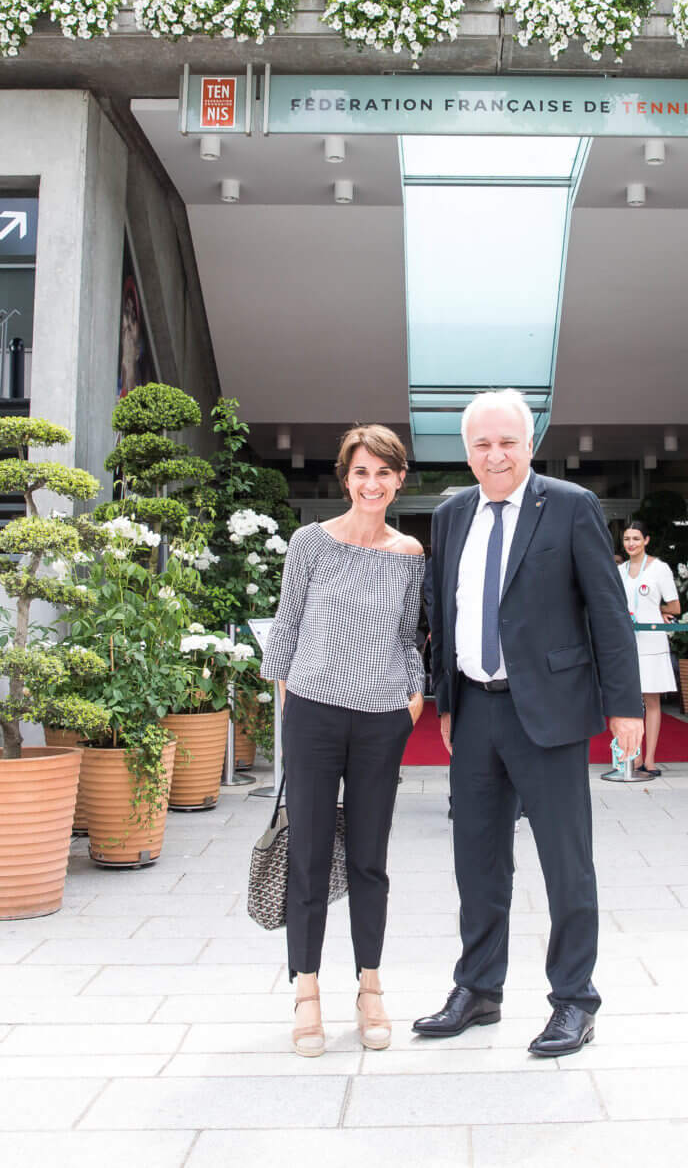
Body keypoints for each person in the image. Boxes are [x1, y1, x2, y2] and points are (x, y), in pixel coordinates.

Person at [416, 389, 640, 1058]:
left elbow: (607, 611)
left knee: (565, 862)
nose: (495, 454)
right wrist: (447, 700)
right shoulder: (453, 513)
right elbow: (446, 613)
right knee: (477, 860)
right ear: (467, 451)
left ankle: (574, 999)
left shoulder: (569, 506)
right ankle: (479, 987)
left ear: (530, 444)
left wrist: (625, 706)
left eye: (507, 441)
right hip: (476, 710)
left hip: (549, 711)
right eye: (482, 444)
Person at [259, 424, 426, 1058]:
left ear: (399, 479)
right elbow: (288, 626)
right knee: (307, 855)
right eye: (362, 472)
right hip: (313, 715)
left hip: (382, 718)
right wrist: (290, 708)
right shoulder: (310, 543)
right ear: (345, 477)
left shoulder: (409, 552)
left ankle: (370, 987)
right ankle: (306, 989)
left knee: (368, 860)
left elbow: (411, 635)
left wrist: (411, 702)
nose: (372, 483)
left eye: (384, 472)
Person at [619, 520, 682, 776]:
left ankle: (650, 758)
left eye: (636, 538)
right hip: (626, 643)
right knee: (629, 702)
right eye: (626, 539)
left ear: (646, 540)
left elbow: (675, 607)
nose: (630, 544)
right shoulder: (620, 570)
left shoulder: (659, 569)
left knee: (652, 700)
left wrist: (658, 610)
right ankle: (633, 757)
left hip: (652, 643)